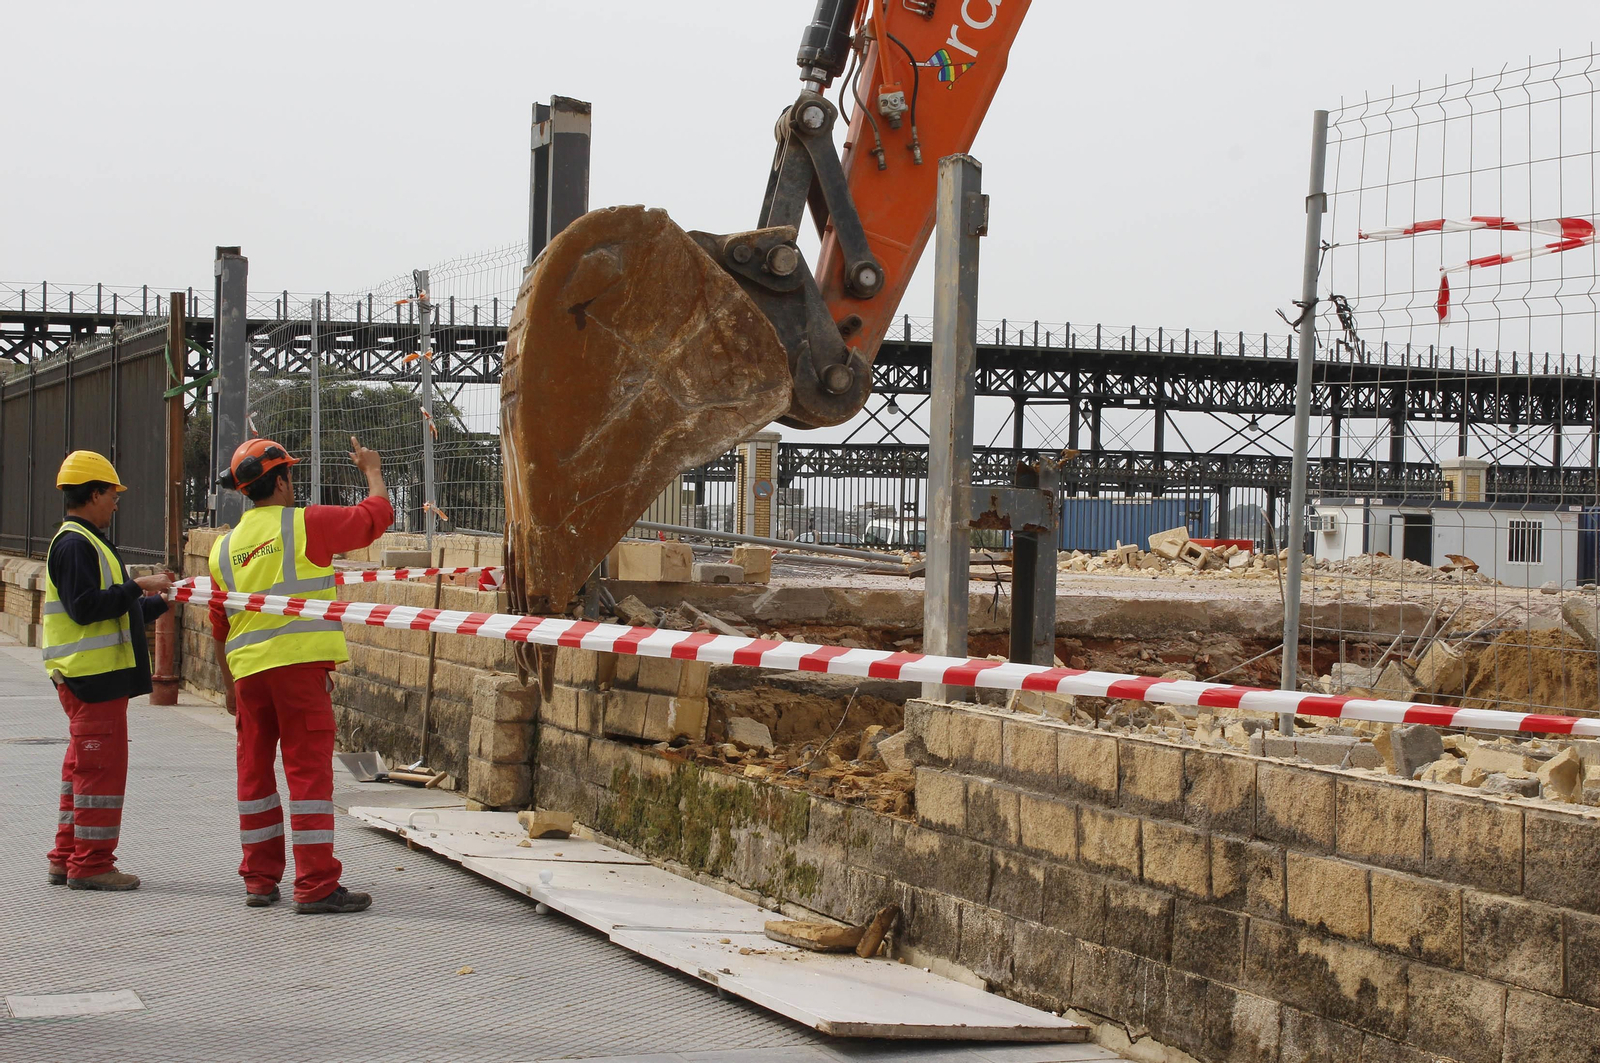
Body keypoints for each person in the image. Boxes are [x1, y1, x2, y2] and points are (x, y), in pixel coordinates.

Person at [208, 436, 392, 913]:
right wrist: (371, 469)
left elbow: (219, 624)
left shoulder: (223, 549)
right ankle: (314, 885)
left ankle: (259, 880)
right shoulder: (305, 524)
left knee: (254, 775)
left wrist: (229, 689)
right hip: (298, 670)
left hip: (248, 676)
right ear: (284, 480)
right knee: (307, 775)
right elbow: (376, 518)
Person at [43, 451, 175, 891]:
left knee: (81, 770)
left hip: (90, 678)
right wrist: (138, 585)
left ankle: (66, 858)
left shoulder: (84, 541)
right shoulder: (76, 544)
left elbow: (113, 607)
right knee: (100, 773)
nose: (116, 503)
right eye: (112, 495)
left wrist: (158, 602)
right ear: (94, 493)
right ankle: (92, 864)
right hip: (92, 679)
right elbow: (85, 609)